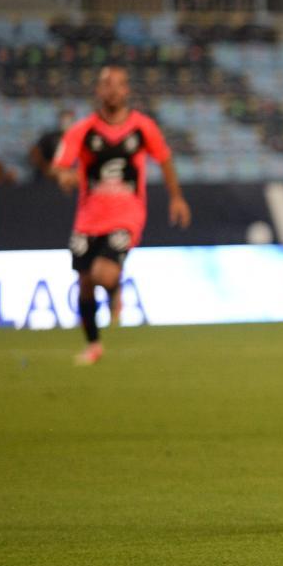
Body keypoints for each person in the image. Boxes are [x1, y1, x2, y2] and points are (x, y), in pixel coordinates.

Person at [52, 67, 192, 365]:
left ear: (127, 90)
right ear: (98, 91)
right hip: (88, 217)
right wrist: (64, 177)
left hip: (126, 214)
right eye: (106, 84)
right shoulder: (83, 129)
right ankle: (93, 346)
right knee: (85, 281)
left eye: (118, 85)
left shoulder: (142, 127)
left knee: (104, 274)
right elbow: (60, 164)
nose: (113, 90)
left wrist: (176, 197)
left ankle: (115, 291)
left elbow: (164, 159)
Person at [29, 108, 77, 183]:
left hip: (71, 175)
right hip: (49, 176)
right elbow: (34, 153)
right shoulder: (50, 137)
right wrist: (46, 168)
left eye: (70, 119)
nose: (67, 122)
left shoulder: (79, 137)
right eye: (65, 119)